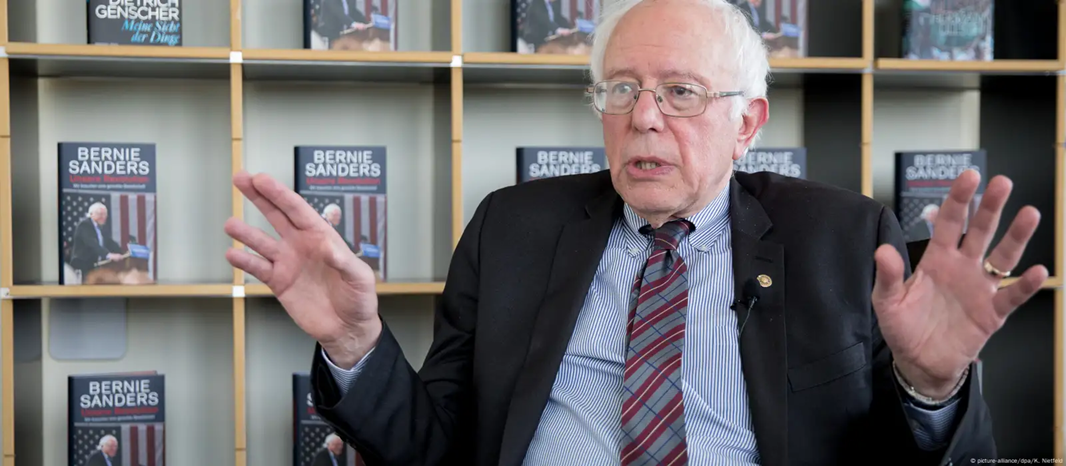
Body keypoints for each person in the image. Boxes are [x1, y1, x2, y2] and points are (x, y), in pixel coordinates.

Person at [223, 0, 1047, 464]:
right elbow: (430, 450)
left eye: (681, 93)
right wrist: (356, 344)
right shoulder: (512, 230)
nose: (644, 117)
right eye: (621, 91)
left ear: (747, 123)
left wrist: (932, 386)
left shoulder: (842, 239)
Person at [70, 202, 125, 281]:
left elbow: (110, 243)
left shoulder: (101, 228)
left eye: (105, 214)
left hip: (94, 266)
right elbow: (92, 244)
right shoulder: (84, 225)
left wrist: (123, 253)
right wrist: (109, 255)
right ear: (91, 214)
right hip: (82, 266)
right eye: (100, 214)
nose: (103, 217)